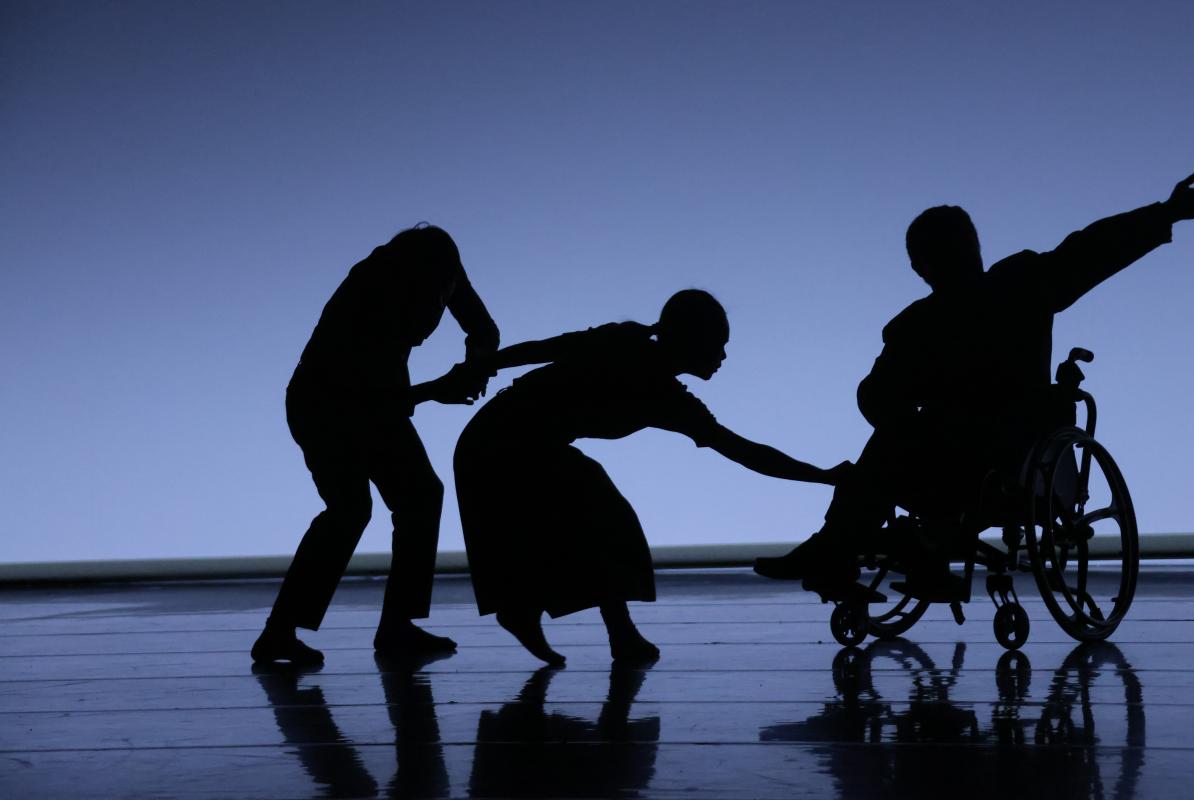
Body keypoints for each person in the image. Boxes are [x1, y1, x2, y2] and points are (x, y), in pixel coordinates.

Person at [755, 172, 1194, 598]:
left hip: (998, 454)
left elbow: (875, 395)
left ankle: (843, 547)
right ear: (973, 247)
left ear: (919, 266)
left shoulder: (925, 321)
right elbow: (1089, 250)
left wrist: (1164, 214)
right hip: (982, 454)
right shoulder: (1012, 287)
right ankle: (872, 549)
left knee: (898, 440)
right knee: (903, 438)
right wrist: (1165, 213)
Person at [430, 290, 847, 665]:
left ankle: (542, 615)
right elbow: (552, 348)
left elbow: (742, 451)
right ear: (691, 339)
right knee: (600, 514)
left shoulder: (670, 399)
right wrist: (486, 364)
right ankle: (600, 630)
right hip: (497, 443)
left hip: (524, 448)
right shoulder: (624, 344)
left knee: (597, 517)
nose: (722, 356)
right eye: (718, 345)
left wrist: (822, 476)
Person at [251, 224, 499, 665]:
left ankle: (391, 627)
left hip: (376, 401)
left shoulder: (443, 271)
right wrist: (437, 389)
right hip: (327, 402)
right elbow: (363, 393)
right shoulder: (371, 289)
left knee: (418, 498)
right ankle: (284, 633)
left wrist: (476, 366)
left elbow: (483, 328)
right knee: (351, 510)